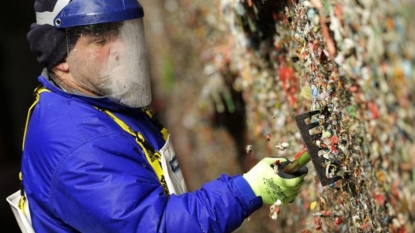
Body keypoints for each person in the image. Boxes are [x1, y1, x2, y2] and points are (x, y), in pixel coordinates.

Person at [9, 0, 308, 232]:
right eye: (100, 40)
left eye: (121, 32)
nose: (122, 49)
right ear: (60, 59)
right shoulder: (78, 151)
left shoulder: (90, 101)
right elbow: (156, 227)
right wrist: (247, 190)